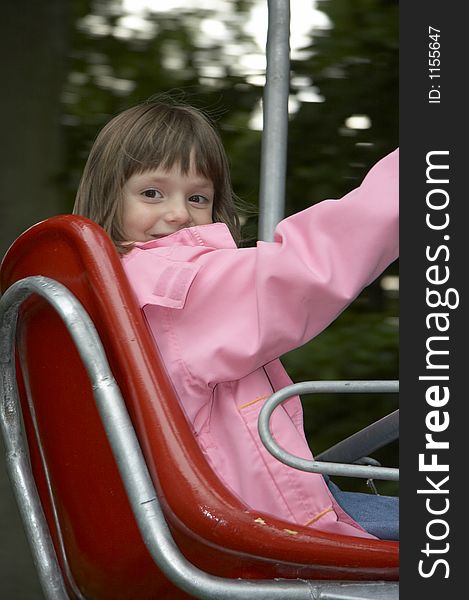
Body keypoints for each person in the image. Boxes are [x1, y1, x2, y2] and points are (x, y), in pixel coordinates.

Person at [73, 99, 399, 541]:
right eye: (152, 193)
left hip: (195, 517)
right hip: (253, 525)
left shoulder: (107, 292)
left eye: (197, 197)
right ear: (107, 196)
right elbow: (302, 272)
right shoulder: (174, 288)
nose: (177, 214)